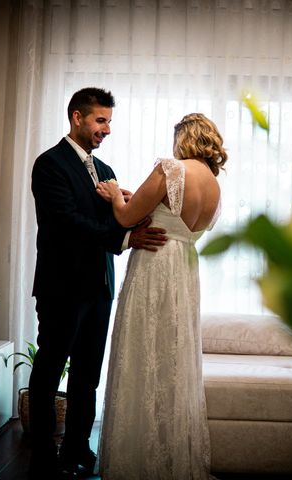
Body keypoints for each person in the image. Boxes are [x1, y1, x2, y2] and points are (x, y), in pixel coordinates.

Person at [29, 87, 168, 479]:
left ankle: (77, 446)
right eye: (100, 120)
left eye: (109, 121)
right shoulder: (49, 165)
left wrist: (134, 216)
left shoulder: (105, 171)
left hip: (99, 288)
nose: (106, 129)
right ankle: (42, 455)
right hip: (61, 288)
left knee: (88, 375)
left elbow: (113, 222)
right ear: (77, 117)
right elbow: (67, 222)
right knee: (50, 369)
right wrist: (125, 238)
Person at [96, 113, 228, 479]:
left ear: (183, 140)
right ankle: (171, 456)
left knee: (143, 354)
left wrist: (113, 193)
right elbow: (163, 211)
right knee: (173, 358)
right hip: (185, 269)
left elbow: (125, 218)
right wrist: (131, 199)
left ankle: (137, 459)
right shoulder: (215, 188)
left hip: (155, 267)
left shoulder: (171, 169)